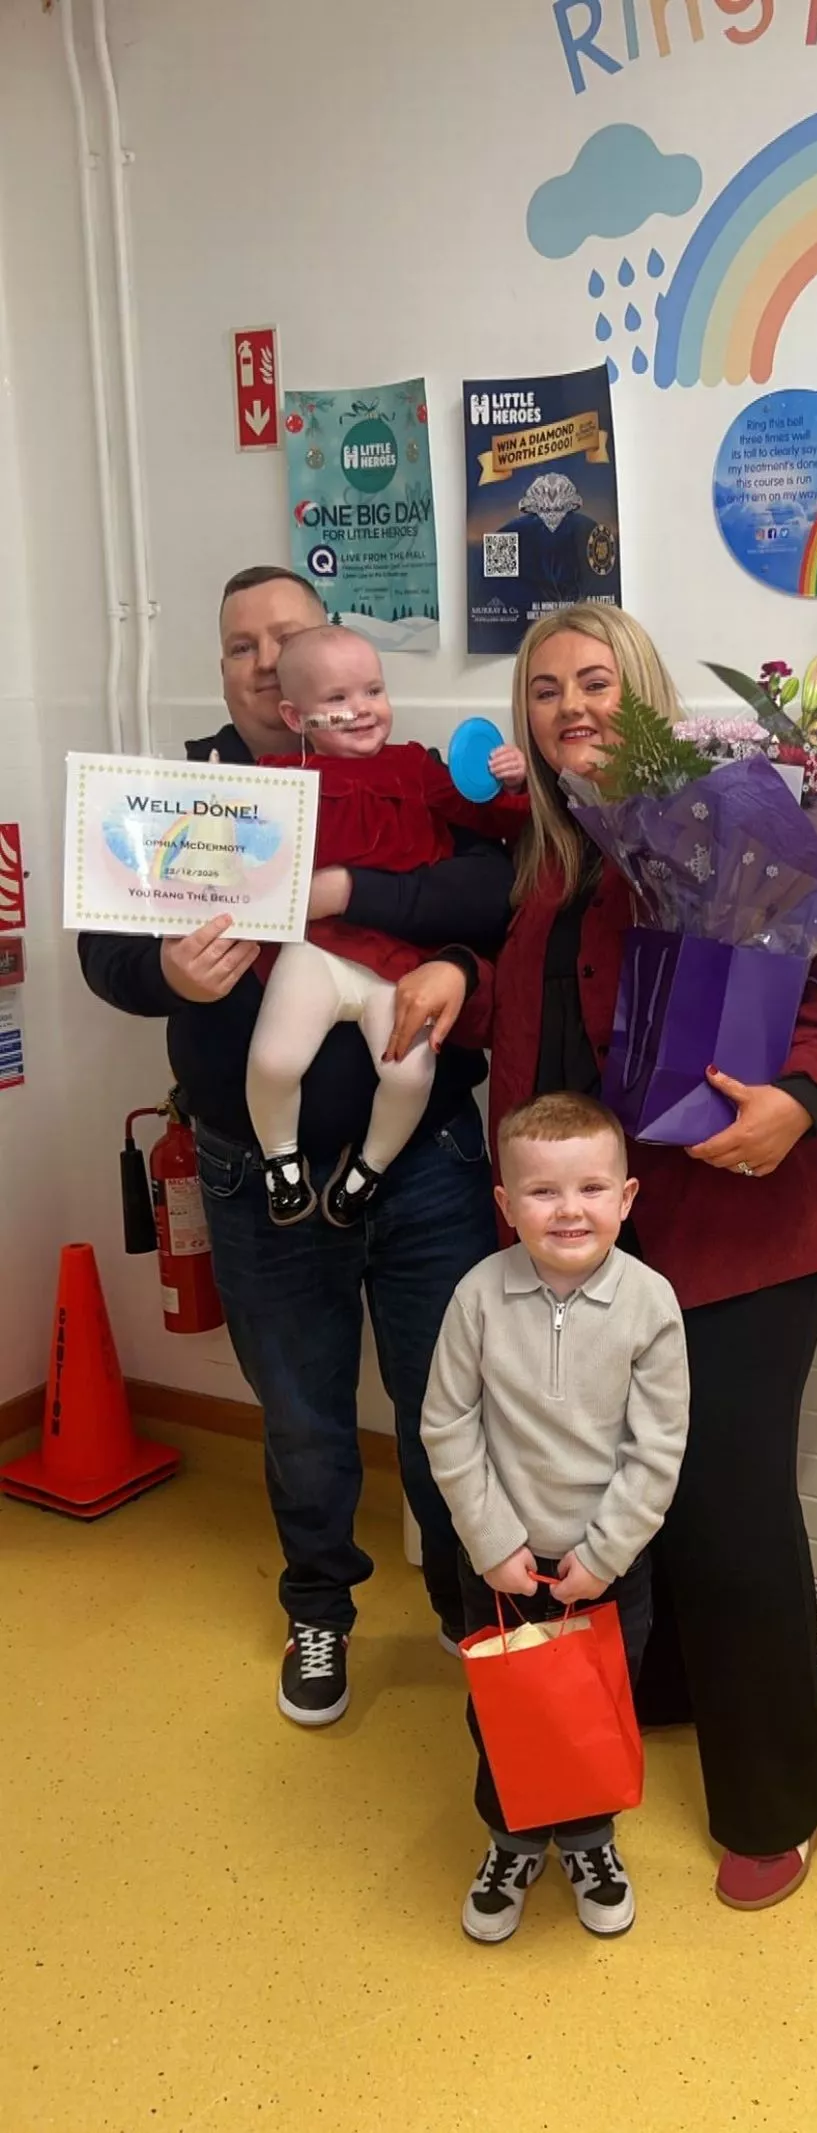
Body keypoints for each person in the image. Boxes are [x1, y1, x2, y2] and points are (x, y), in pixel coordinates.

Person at [391, 602, 817, 1911]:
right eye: (542, 691)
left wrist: (799, 1104)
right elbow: (546, 997)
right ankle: (659, 1697)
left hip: (746, 1225)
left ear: (646, 693)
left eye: (595, 682)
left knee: (724, 1503)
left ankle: (780, 1789)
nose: (569, 710)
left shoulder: (730, 822)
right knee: (611, 1487)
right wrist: (453, 977)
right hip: (594, 1242)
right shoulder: (553, 861)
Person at [78, 565, 514, 1723]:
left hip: (425, 1166)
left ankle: (483, 1621)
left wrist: (346, 887)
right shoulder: (190, 794)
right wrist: (162, 967)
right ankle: (319, 1611)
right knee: (305, 1421)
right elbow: (103, 950)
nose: (266, 663)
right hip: (252, 1169)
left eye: (288, 638)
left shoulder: (418, 782)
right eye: (241, 648)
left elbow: (497, 893)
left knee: (455, 1404)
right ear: (225, 674)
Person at [421, 1092, 689, 1944]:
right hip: (497, 1562)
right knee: (503, 1710)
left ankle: (588, 1841)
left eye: (590, 1188)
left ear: (627, 1197)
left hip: (607, 1567)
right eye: (541, 1191)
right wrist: (492, 1541)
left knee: (596, 1709)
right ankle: (510, 1839)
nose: (568, 1209)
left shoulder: (651, 1305)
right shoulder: (477, 1296)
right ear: (504, 1203)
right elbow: (447, 1423)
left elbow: (657, 1448)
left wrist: (605, 1554)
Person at [247, 624, 526, 1228]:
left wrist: (510, 781)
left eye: (373, 690)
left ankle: (367, 1171)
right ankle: (281, 1163)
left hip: (400, 960)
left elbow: (487, 814)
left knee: (411, 1071)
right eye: (338, 699)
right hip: (319, 952)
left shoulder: (416, 768)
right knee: (273, 1059)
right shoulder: (274, 782)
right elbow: (237, 858)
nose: (362, 710)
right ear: (297, 717)